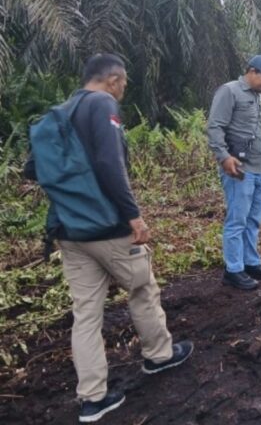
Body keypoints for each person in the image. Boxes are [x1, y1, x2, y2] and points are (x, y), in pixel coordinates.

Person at [25, 54, 193, 423]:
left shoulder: (62, 110)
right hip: (108, 227)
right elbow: (109, 164)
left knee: (85, 313)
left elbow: (35, 169)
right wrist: (133, 216)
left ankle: (92, 399)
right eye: (124, 82)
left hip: (69, 229)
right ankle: (159, 356)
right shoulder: (103, 105)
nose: (124, 88)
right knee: (142, 288)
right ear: (113, 80)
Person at [207, 55, 261, 290]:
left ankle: (251, 262)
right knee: (237, 220)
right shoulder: (229, 91)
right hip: (239, 168)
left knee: (253, 219)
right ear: (252, 71)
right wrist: (224, 157)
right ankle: (233, 269)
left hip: (260, 168)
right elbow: (215, 126)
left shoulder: (258, 97)